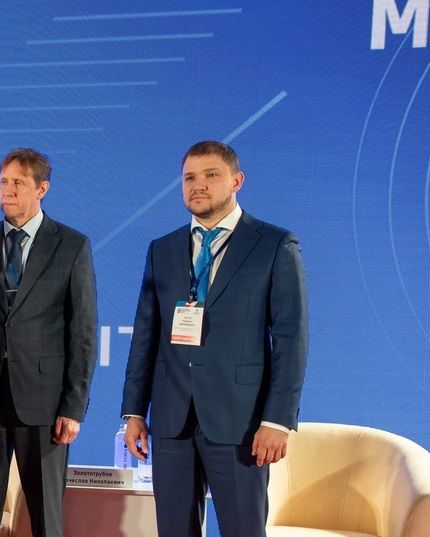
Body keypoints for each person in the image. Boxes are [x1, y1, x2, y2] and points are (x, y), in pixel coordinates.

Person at [121, 140, 308, 537]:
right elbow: (146, 336)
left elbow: (291, 339)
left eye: (211, 175)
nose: (198, 185)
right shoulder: (162, 249)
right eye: (189, 177)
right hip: (172, 421)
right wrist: (134, 411)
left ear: (236, 181)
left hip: (240, 423)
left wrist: (277, 420)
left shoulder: (274, 245)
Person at [0, 148, 97, 537]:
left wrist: (73, 408)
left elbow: (82, 333)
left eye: (18, 183)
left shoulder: (71, 245)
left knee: (45, 516)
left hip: (44, 402)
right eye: (3, 182)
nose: (8, 190)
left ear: (41, 189)